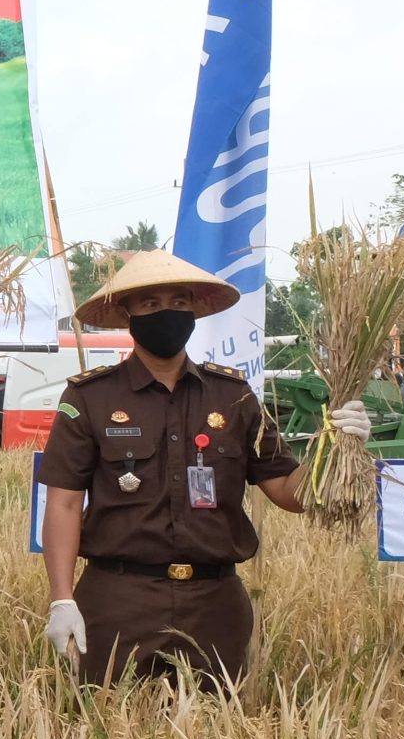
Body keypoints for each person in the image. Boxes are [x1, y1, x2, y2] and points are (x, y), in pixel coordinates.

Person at [37, 251, 311, 692]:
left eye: (179, 302)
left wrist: (338, 445)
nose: (166, 312)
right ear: (127, 314)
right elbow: (65, 503)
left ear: (194, 312)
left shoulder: (234, 397)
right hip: (118, 601)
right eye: (150, 304)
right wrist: (62, 599)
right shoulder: (91, 397)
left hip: (215, 604)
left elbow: (286, 489)